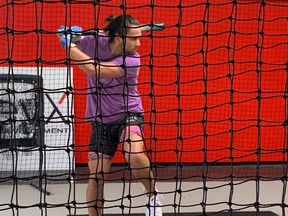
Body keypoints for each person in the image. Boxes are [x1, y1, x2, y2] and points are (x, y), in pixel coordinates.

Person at [57, 14, 163, 216]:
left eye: (139, 37)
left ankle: (152, 195)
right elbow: (66, 33)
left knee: (135, 155)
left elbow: (92, 68)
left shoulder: (133, 60)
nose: (139, 43)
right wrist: (71, 35)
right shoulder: (94, 42)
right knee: (96, 177)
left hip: (128, 113)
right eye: (134, 38)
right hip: (100, 120)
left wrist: (69, 45)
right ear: (118, 37)